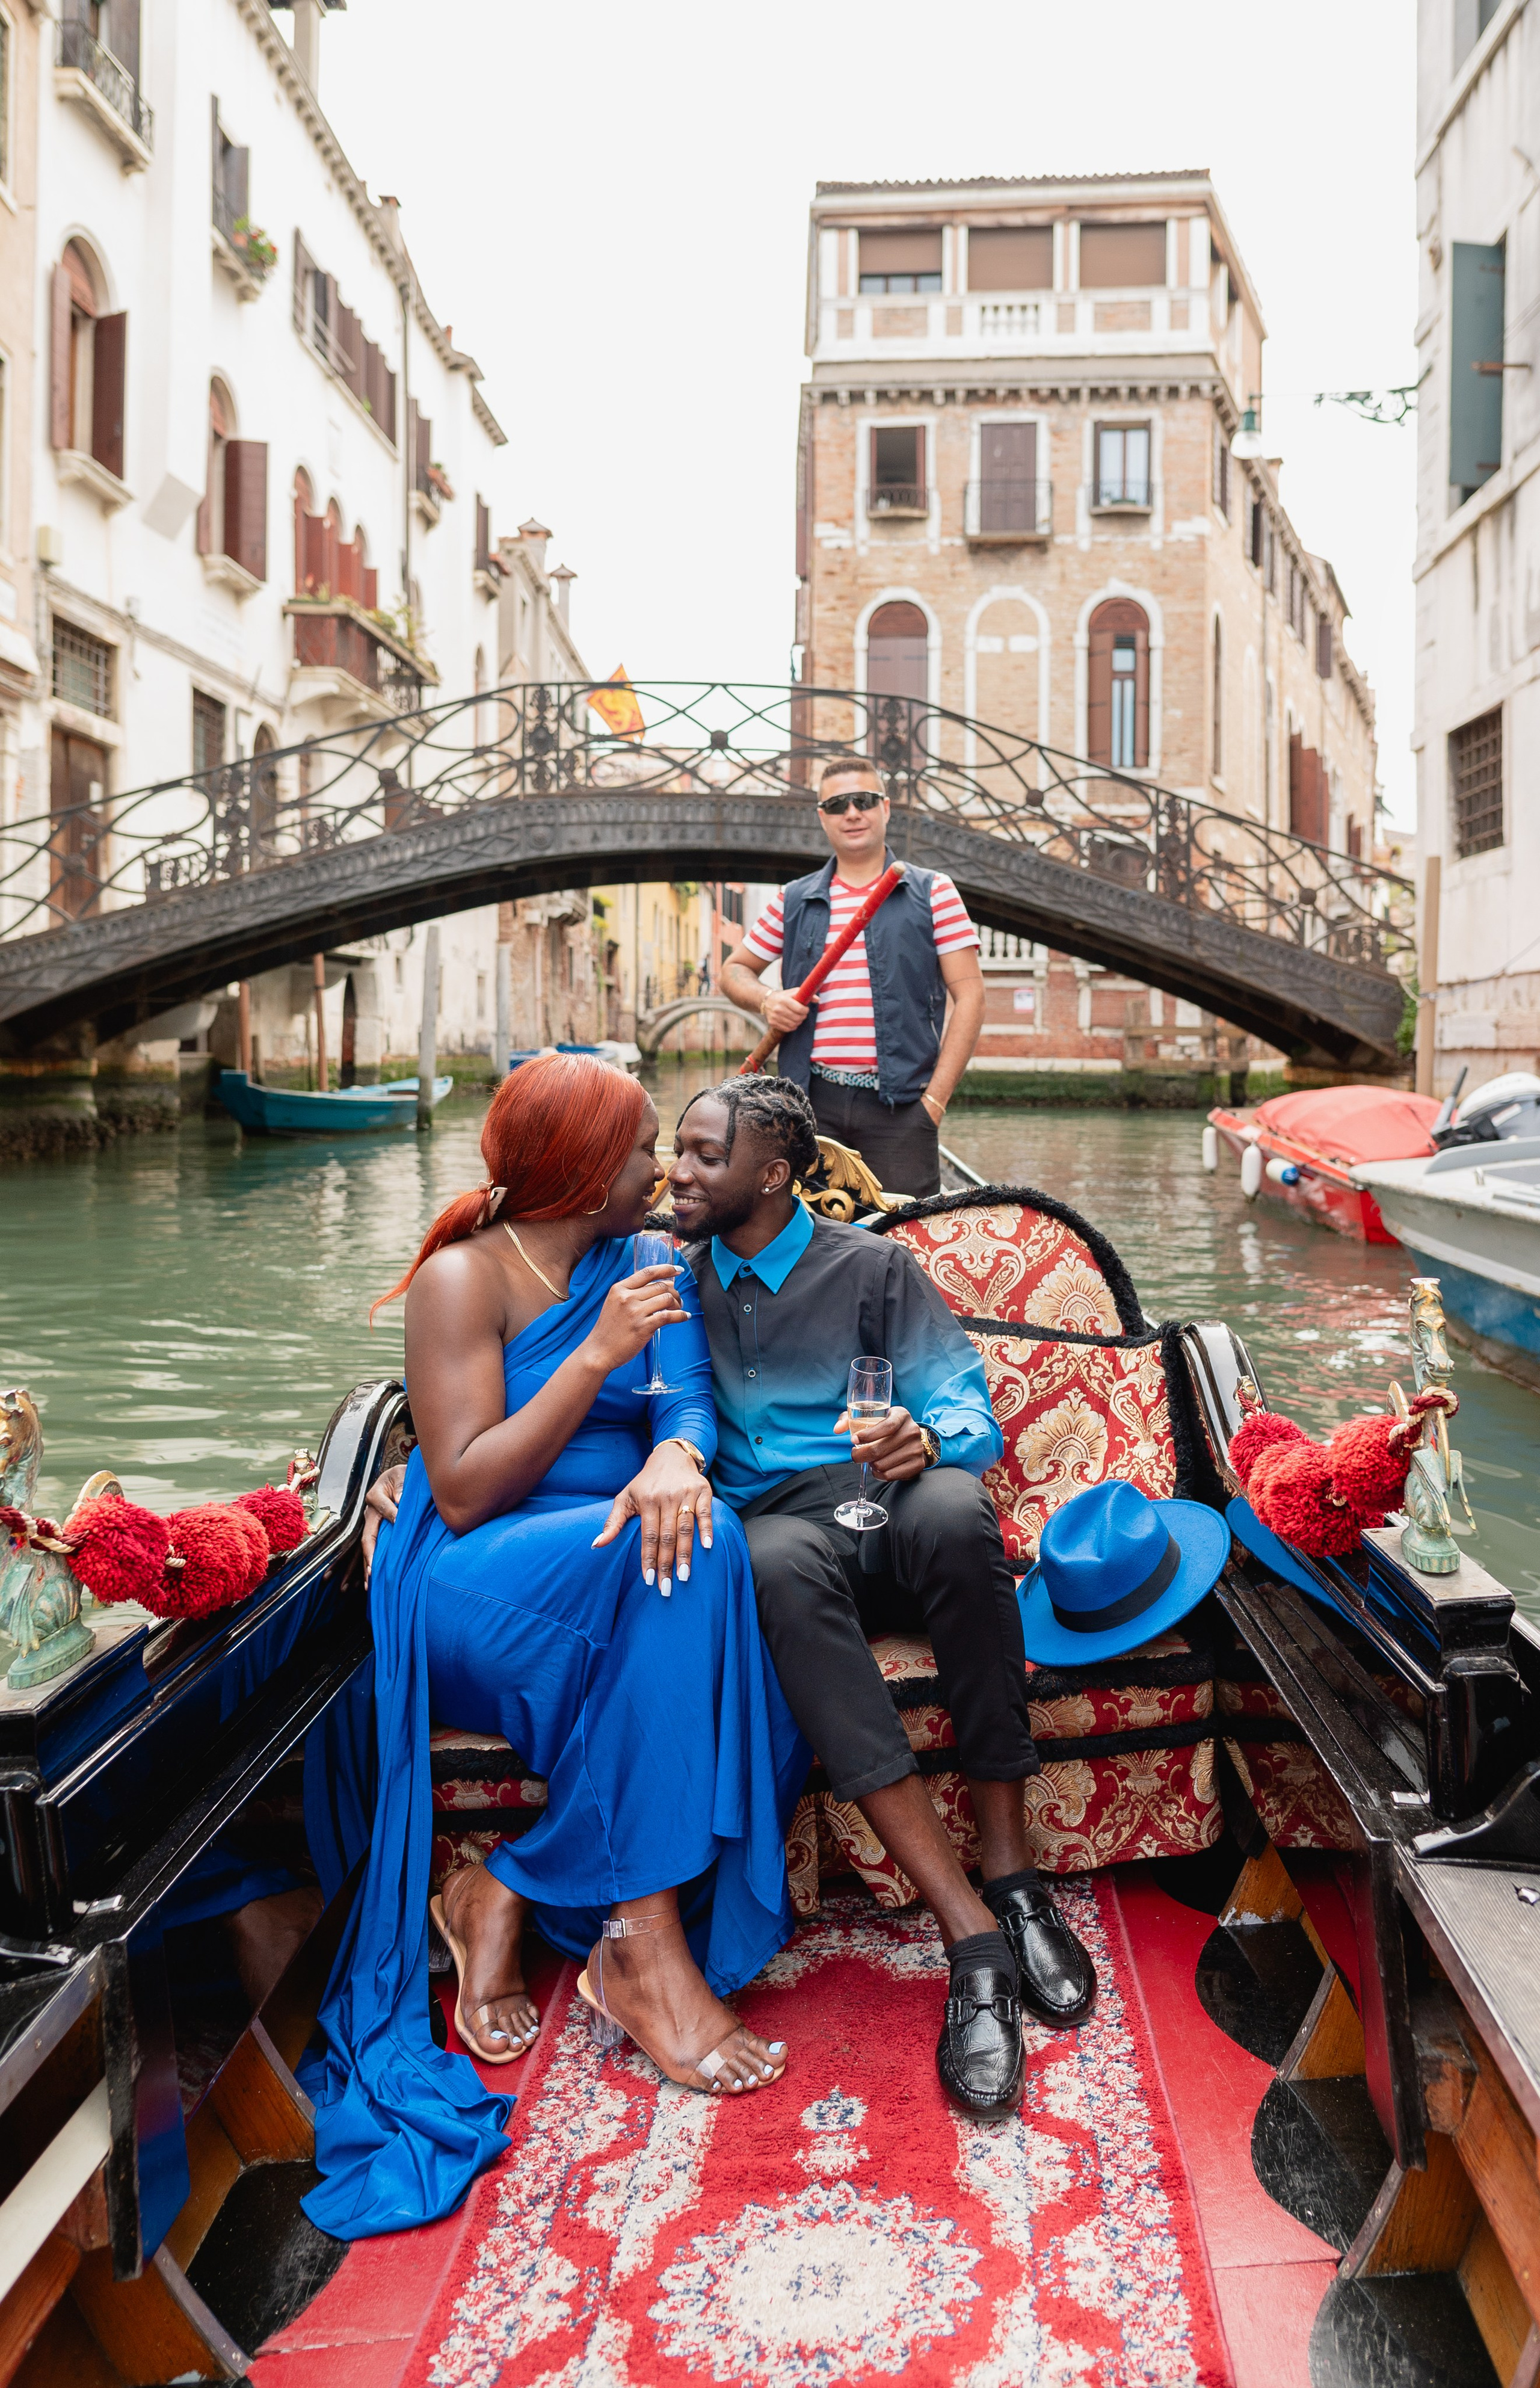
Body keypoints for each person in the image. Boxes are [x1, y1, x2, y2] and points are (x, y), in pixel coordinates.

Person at [304, 1054, 807, 2241]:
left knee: (694, 1533)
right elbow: (469, 1489)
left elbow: (682, 1403)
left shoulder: (646, 1261)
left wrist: (678, 1454)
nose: (660, 1170)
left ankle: (527, 1894)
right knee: (662, 1552)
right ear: (583, 1174)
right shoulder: (459, 1281)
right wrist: (592, 1359)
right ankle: (633, 1948)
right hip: (468, 1586)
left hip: (610, 1550)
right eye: (640, 1150)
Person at [667, 1075, 1097, 2119]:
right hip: (784, 1537)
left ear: (773, 1172)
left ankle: (1012, 1870)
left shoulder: (873, 1268)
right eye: (675, 1149)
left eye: (703, 1155)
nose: (675, 1172)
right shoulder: (674, 1286)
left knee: (953, 1504)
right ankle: (972, 1931)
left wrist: (929, 1438)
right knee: (767, 1556)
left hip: (886, 1504)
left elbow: (965, 1408)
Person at [718, 755, 986, 1197]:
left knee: (903, 1242)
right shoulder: (794, 899)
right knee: (808, 1243)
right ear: (823, 817)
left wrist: (933, 1104)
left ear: (885, 807)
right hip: (807, 1105)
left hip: (902, 1107)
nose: (853, 813)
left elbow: (971, 996)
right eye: (839, 804)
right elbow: (733, 971)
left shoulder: (934, 891)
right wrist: (768, 1000)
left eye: (863, 800)